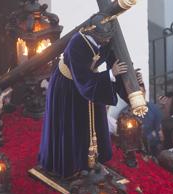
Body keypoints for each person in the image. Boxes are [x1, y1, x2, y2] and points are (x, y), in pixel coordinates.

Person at [38, 28, 128, 178]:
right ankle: (72, 166)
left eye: (107, 38)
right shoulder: (76, 44)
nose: (106, 41)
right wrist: (111, 74)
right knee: (73, 126)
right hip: (68, 89)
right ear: (94, 33)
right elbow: (84, 80)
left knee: (95, 123)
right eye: (104, 38)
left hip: (91, 83)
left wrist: (130, 91)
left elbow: (114, 61)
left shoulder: (106, 39)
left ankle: (94, 160)